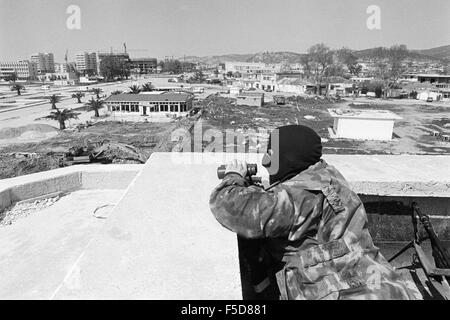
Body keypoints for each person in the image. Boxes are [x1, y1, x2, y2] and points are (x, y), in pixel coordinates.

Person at [209, 125, 417, 300]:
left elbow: (229, 206)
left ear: (288, 158)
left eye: (271, 155)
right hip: (380, 282)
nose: (265, 162)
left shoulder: (299, 197)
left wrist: (234, 177)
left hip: (340, 291)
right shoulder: (328, 176)